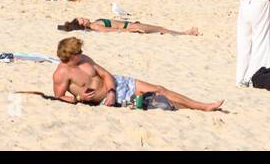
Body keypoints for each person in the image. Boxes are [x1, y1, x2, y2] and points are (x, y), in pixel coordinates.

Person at [51, 38, 221, 110]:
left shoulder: (85, 59)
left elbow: (106, 75)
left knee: (160, 89)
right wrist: (80, 99)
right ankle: (197, 109)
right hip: (109, 100)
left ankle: (202, 106)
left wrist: (111, 90)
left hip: (117, 84)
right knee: (160, 102)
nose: (82, 52)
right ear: (70, 56)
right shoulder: (61, 73)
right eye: (78, 51)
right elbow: (59, 96)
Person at [59, 18, 198, 36]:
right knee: (160, 28)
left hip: (130, 24)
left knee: (159, 29)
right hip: (130, 26)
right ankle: (185, 33)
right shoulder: (96, 27)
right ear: (82, 24)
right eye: (81, 19)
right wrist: (131, 29)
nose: (84, 18)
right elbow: (113, 30)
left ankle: (184, 33)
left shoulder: (94, 24)